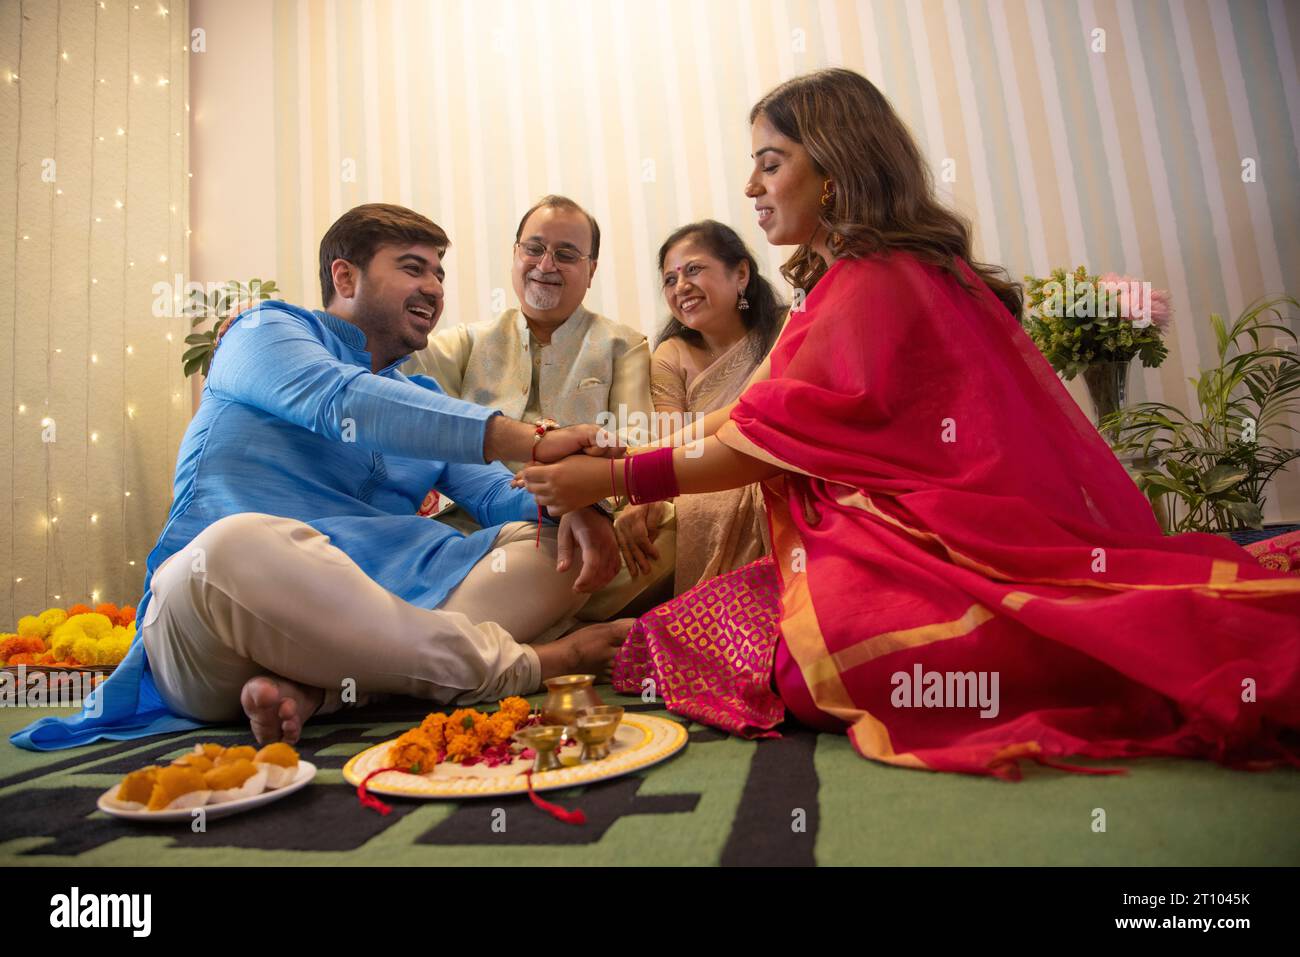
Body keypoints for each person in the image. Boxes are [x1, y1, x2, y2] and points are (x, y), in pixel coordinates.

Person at [520, 69, 1300, 779]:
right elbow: (748, 415)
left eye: (770, 160)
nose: (751, 184)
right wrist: (621, 450)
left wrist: (617, 476)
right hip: (881, 538)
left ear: (832, 168)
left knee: (806, 673)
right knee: (680, 637)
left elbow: (760, 444)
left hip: (930, 540)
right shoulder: (848, 281)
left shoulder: (876, 280)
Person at [12, 203, 628, 752]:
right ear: (344, 276)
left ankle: (324, 689)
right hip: (219, 627)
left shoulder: (422, 394)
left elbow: (498, 495)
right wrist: (536, 441)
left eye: (439, 273)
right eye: (413, 268)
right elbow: (343, 401)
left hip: (377, 616)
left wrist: (571, 506)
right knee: (236, 545)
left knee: (556, 550)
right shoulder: (265, 333)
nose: (434, 288)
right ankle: (531, 665)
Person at [408, 195, 670, 619]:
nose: (546, 265)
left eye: (566, 254)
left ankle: (463, 633)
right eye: (534, 248)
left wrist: (597, 503)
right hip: (478, 526)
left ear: (591, 270)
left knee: (664, 529)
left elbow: (635, 444)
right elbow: (403, 383)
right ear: (515, 255)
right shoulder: (468, 342)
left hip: (585, 520)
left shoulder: (623, 344)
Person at [613, 220, 784, 594]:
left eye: (693, 269)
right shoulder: (671, 355)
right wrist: (645, 497)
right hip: (705, 479)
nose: (681, 287)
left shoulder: (786, 329)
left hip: (778, 466)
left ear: (740, 273)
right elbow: (673, 444)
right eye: (670, 280)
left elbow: (773, 419)